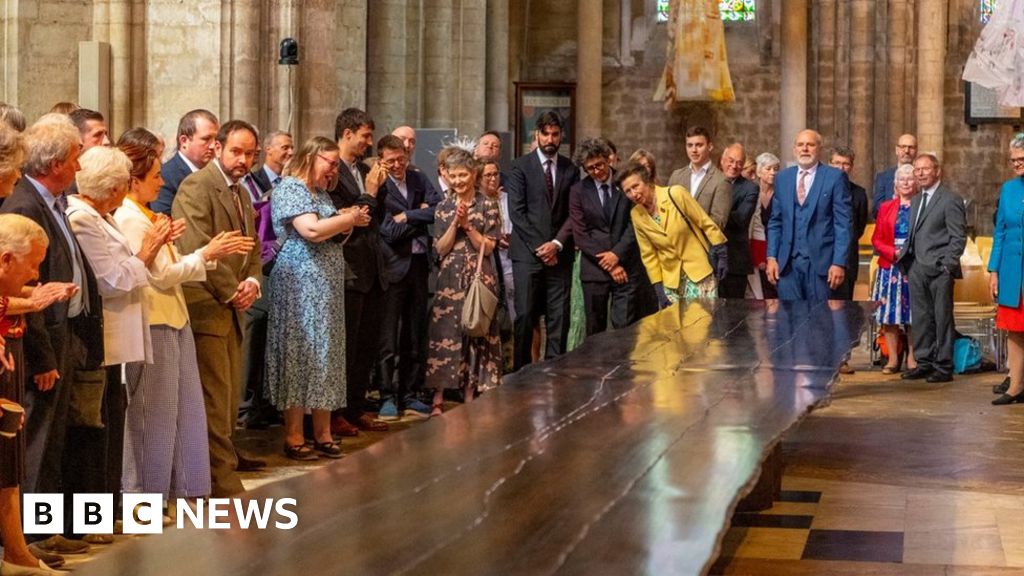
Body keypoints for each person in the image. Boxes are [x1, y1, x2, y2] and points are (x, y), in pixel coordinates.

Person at [113, 128, 254, 500]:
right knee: (151, 417)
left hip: (172, 317)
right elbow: (159, 274)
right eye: (156, 176)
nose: (162, 183)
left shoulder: (145, 213)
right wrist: (206, 254)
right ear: (134, 180)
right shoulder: (129, 217)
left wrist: (188, 252)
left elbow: (167, 265)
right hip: (155, 317)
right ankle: (144, 496)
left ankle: (175, 490)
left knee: (177, 415)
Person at [0, 115, 98, 559]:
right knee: (32, 446)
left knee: (50, 442)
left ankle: (44, 529)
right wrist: (41, 357)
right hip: (33, 343)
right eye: (76, 158)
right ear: (56, 162)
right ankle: (27, 540)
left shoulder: (53, 202)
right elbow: (27, 288)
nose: (80, 167)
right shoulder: (22, 205)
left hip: (63, 333)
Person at [172, 120, 264, 497]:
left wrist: (253, 282)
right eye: (236, 152)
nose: (243, 160)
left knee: (226, 401)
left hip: (231, 307)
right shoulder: (197, 186)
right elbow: (197, 243)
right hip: (207, 307)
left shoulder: (241, 193)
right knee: (213, 400)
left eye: (249, 154)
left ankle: (218, 475)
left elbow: (251, 247)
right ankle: (221, 481)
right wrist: (231, 291)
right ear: (218, 148)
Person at [266, 136, 370, 459]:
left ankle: (323, 433)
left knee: (326, 354)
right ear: (312, 157)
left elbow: (333, 232)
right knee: (300, 354)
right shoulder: (290, 188)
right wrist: (348, 218)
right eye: (331, 163)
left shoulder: (321, 192)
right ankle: (295, 436)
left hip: (325, 285)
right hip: (298, 284)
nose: (334, 170)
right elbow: (311, 230)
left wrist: (346, 221)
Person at [0, 214, 75, 575]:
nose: (35, 274)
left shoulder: (15, 277)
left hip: (10, 357)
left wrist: (41, 294)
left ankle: (17, 552)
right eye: (32, 265)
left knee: (10, 461)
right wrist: (33, 302)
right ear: (6, 259)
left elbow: (12, 292)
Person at [427, 147, 501, 415]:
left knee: (476, 332)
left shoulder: (488, 205)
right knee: (445, 333)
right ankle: (439, 395)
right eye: (453, 176)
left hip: (478, 276)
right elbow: (441, 248)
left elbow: (490, 247)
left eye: (463, 175)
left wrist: (469, 226)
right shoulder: (443, 207)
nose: (458, 181)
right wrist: (455, 225)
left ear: (474, 174)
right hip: (449, 279)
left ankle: (471, 391)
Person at [506, 111, 579, 369]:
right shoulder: (519, 167)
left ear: (561, 136)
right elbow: (517, 212)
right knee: (525, 316)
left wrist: (556, 244)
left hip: (560, 255)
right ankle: (521, 375)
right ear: (536, 135)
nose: (550, 139)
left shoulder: (571, 169)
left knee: (559, 318)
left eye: (555, 134)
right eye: (545, 134)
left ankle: (554, 374)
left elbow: (574, 212)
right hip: (527, 255)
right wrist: (542, 247)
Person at [377, 134, 441, 420]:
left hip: (418, 265)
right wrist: (420, 216)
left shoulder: (418, 178)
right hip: (393, 267)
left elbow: (440, 210)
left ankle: (410, 394)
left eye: (401, 159)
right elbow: (388, 232)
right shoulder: (379, 188)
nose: (397, 165)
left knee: (415, 333)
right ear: (381, 161)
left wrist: (407, 217)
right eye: (390, 161)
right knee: (389, 336)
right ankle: (386, 395)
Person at [896, 153, 966, 383]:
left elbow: (958, 237)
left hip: (939, 269)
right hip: (916, 266)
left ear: (937, 171)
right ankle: (923, 362)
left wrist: (947, 265)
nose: (921, 173)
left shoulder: (950, 199)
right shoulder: (916, 199)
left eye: (925, 169)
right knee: (921, 317)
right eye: (917, 170)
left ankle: (944, 366)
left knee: (942, 317)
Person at [621, 162, 727, 305]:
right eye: (627, 191)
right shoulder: (636, 214)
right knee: (672, 327)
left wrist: (720, 250)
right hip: (670, 282)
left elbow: (704, 222)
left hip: (699, 273)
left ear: (647, 182)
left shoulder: (675, 194)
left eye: (635, 186)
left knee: (702, 324)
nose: (633, 194)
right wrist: (658, 288)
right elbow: (649, 255)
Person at [766, 129, 852, 300]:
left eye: (810, 145)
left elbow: (843, 224)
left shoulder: (834, 177)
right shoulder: (783, 178)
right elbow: (776, 222)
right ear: (794, 149)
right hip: (787, 265)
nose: (805, 149)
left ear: (819, 149)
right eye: (800, 145)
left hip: (822, 265)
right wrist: (771, 257)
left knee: (820, 321)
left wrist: (838, 262)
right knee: (789, 321)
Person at [568, 138, 641, 335]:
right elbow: (581, 234)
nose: (596, 171)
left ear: (608, 159)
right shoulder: (578, 191)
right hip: (595, 269)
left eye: (599, 165)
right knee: (595, 330)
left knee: (624, 328)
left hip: (625, 265)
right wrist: (609, 262)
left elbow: (635, 223)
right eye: (590, 168)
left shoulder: (625, 182)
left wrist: (616, 256)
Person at [871, 164, 919, 374]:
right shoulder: (885, 207)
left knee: (913, 316)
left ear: (916, 182)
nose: (906, 183)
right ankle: (892, 358)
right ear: (895, 184)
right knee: (889, 316)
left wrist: (909, 253)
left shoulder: (922, 206)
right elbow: (877, 239)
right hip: (890, 268)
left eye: (910, 178)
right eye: (902, 179)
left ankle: (913, 358)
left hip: (914, 266)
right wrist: (893, 253)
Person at [987, 134, 1024, 404]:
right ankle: (1015, 386)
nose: (1017, 165)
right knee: (1014, 328)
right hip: (1012, 269)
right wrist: (993, 271)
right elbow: (1000, 231)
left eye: (1021, 159)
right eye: (1013, 160)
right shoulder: (1008, 189)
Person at [152, 109, 219, 215]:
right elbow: (164, 220)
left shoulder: (216, 175)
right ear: (184, 141)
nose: (213, 146)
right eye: (206, 139)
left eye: (216, 139)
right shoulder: (166, 176)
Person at [666, 126, 732, 231]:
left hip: (703, 245)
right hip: (675, 244)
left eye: (699, 145)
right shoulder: (676, 176)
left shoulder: (721, 181)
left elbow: (718, 223)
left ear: (710, 147)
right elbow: (667, 210)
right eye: (690, 145)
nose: (694, 150)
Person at [828, 146, 869, 300]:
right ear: (829, 164)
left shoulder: (859, 193)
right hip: (820, 259)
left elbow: (859, 228)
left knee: (843, 310)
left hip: (847, 259)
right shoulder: (818, 189)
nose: (841, 168)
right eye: (837, 163)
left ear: (851, 167)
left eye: (846, 164)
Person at [717, 143, 758, 299]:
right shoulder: (709, 183)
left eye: (739, 163)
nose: (734, 166)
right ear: (722, 160)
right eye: (731, 160)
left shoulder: (750, 188)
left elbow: (741, 218)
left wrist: (711, 211)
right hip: (705, 261)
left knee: (733, 316)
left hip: (734, 261)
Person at [748, 153, 780, 299]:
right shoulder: (751, 193)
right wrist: (760, 255)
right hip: (756, 248)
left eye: (776, 168)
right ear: (759, 172)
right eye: (768, 169)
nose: (773, 172)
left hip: (777, 248)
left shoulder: (780, 193)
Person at [872, 133, 917, 220]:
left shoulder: (921, 177)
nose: (907, 151)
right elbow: (877, 210)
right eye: (903, 147)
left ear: (916, 150)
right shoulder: (883, 177)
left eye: (911, 147)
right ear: (896, 150)